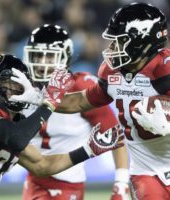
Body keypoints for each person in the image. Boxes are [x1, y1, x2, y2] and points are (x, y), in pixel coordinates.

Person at [55, 3, 170, 200]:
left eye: (119, 41)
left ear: (141, 42)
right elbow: (79, 102)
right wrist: (39, 99)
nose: (112, 48)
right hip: (143, 169)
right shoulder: (111, 71)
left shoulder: (167, 69)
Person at [0, 54, 125, 200]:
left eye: (21, 83)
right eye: (11, 83)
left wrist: (89, 149)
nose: (18, 89)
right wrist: (49, 103)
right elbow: (16, 138)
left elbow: (42, 166)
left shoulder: (14, 122)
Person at [19, 24, 130, 200]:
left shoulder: (81, 87)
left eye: (49, 56)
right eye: (38, 55)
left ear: (65, 57)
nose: (42, 62)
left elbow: (115, 136)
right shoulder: (21, 88)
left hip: (67, 184)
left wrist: (122, 183)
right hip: (33, 179)